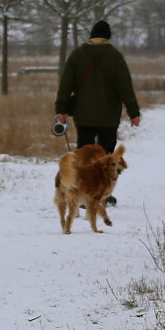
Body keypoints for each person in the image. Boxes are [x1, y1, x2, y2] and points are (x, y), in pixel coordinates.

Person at [54, 21, 141, 200]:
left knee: (84, 154)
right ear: (108, 36)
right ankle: (102, 194)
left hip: (83, 115)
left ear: (91, 35)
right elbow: (125, 87)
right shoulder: (115, 57)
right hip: (108, 116)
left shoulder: (78, 55)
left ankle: (80, 189)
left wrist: (61, 108)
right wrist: (133, 113)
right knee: (107, 156)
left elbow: (66, 84)